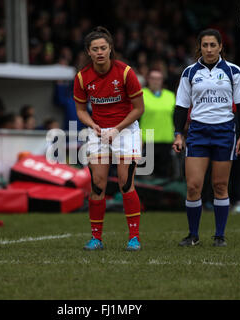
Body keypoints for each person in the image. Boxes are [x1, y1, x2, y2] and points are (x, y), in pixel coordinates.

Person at [172, 28, 240, 247]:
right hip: (197, 132)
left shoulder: (233, 71)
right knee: (193, 186)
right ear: (200, 47)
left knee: (219, 185)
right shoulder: (189, 72)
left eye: (213, 45)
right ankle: (193, 235)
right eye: (205, 45)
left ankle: (219, 236)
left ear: (220, 47)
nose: (209, 49)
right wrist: (178, 134)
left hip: (224, 131)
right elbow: (181, 106)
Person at [73, 26, 145, 251]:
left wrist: (117, 128)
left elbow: (139, 108)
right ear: (89, 52)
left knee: (125, 183)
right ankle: (96, 239)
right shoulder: (82, 77)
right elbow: (81, 110)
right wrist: (92, 124)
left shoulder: (125, 72)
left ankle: (134, 238)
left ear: (110, 49)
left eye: (103, 47)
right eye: (95, 49)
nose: (100, 52)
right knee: (97, 185)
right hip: (99, 132)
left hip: (126, 130)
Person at [140, 69, 176, 178]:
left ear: (162, 81)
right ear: (148, 80)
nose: (156, 81)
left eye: (159, 79)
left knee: (164, 176)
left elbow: (176, 117)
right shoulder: (141, 95)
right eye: (153, 78)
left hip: (167, 140)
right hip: (148, 141)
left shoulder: (170, 96)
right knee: (146, 176)